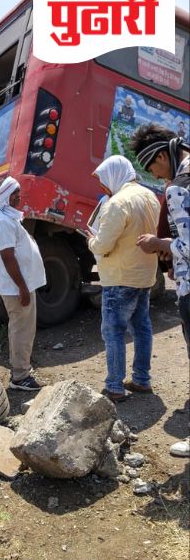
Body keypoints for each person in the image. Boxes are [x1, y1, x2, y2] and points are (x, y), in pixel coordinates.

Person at [131, 124, 190, 458]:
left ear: (159, 156)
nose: (154, 174)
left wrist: (159, 243)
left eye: (151, 167)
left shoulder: (179, 186)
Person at [87, 155, 160, 403]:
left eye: (103, 181)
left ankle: (114, 386)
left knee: (113, 331)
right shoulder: (150, 196)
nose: (103, 188)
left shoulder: (117, 203)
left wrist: (90, 240)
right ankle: (141, 379)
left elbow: (103, 244)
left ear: (114, 175)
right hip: (144, 275)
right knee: (142, 328)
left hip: (119, 277)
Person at [0, 177, 45, 391]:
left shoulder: (7, 217)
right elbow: (7, 257)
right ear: (4, 196)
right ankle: (20, 377)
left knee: (24, 329)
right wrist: (22, 287)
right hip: (16, 288)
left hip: (21, 285)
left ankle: (22, 369)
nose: (19, 196)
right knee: (21, 330)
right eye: (15, 193)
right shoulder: (1, 222)